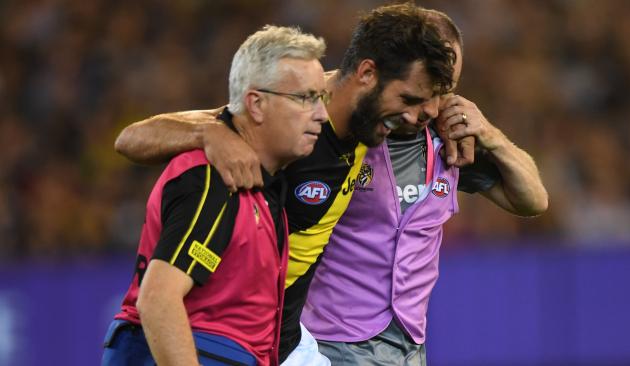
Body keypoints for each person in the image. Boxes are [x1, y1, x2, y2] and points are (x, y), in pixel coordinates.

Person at [113, 4, 457, 364]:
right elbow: (132, 139)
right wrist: (210, 132)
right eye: (410, 100)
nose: (421, 115)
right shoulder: (283, 126)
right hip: (229, 332)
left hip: (281, 336)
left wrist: (466, 119)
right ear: (367, 74)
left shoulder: (368, 119)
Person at [301, 10, 548, 365]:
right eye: (425, 88)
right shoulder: (344, 126)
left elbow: (534, 200)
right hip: (332, 342)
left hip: (411, 349)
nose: (432, 105)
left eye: (444, 89)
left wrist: (491, 136)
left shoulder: (452, 139)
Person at [101, 25, 329, 366]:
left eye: (320, 98)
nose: (321, 114)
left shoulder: (261, 187)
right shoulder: (217, 179)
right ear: (256, 104)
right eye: (305, 98)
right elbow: (158, 300)